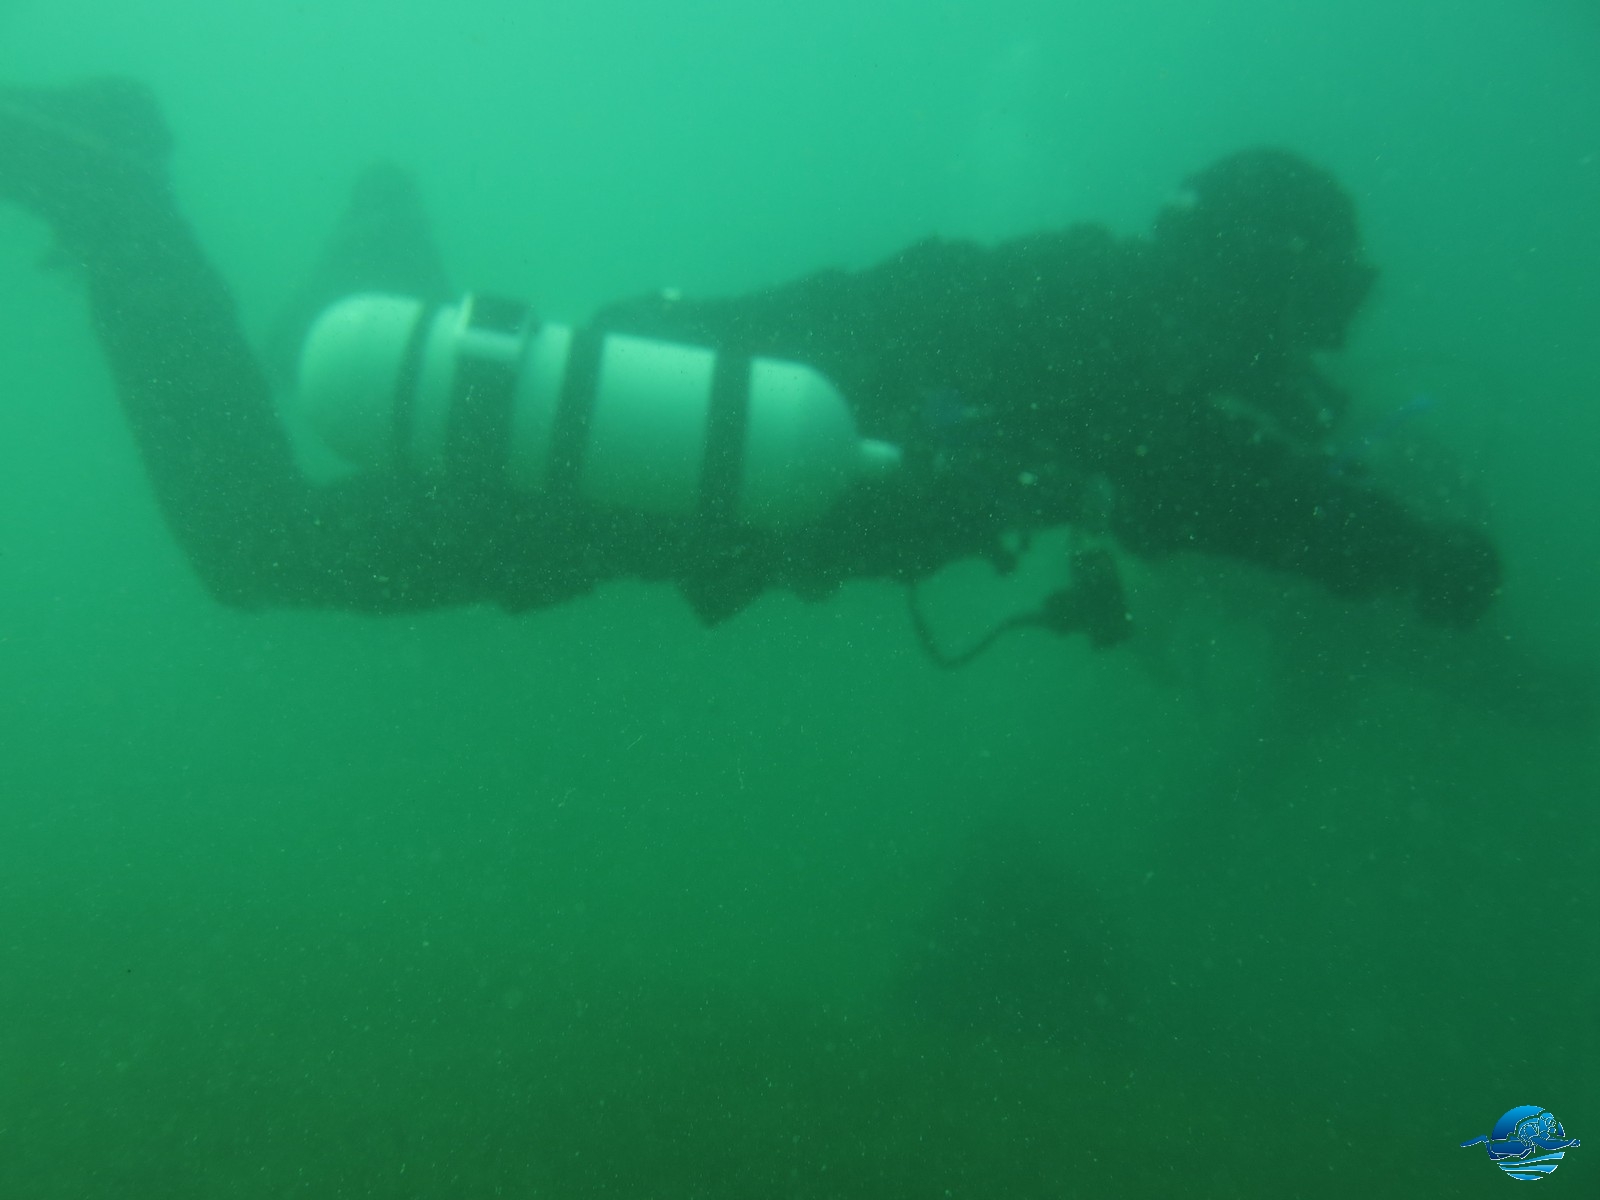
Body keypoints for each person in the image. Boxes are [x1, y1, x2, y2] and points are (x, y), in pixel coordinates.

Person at [0, 78, 1502, 654]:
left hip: (670, 419)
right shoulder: (1137, 340)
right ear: (1259, 268)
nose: (1325, 337)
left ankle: (377, 245)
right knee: (262, 547)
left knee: (370, 395)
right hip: (654, 468)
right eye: (1324, 298)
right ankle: (117, 200)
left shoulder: (1095, 297)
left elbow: (1196, 472)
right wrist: (1416, 553)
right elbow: (1231, 491)